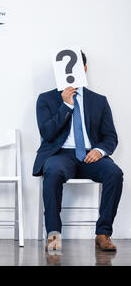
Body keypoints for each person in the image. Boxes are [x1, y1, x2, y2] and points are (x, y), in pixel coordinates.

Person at [33, 51, 123, 252]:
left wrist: (99, 151)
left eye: (77, 68)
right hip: (60, 155)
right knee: (53, 172)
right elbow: (47, 133)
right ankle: (53, 234)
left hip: (91, 155)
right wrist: (66, 105)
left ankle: (103, 234)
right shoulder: (46, 99)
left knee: (115, 173)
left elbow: (110, 136)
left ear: (84, 70)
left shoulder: (99, 101)